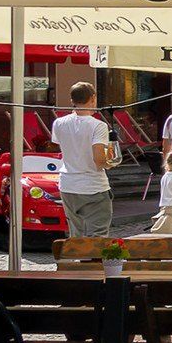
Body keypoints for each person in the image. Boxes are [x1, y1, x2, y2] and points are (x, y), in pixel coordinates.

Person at [53, 81, 115, 239]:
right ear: (93, 98)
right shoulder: (98, 125)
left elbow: (63, 147)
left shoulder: (59, 123)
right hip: (92, 185)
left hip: (68, 183)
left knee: (76, 234)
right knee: (98, 234)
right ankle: (94, 263)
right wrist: (110, 163)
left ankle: (78, 262)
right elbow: (98, 159)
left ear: (72, 100)